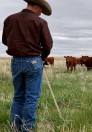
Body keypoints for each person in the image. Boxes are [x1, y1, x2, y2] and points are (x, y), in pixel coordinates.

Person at [2, 0, 53, 131]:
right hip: (33, 62)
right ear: (37, 7)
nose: (40, 14)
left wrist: (18, 47)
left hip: (16, 62)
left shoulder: (9, 19)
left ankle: (15, 127)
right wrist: (41, 58)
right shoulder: (40, 22)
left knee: (18, 96)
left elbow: (4, 40)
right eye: (41, 11)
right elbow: (48, 44)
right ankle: (27, 128)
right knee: (31, 98)